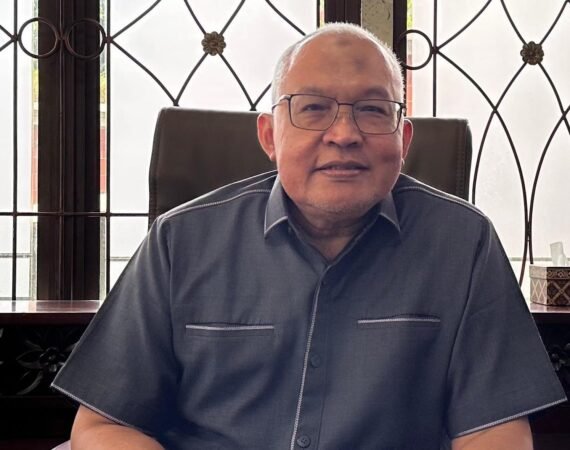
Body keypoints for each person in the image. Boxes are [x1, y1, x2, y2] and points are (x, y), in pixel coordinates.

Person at [52, 23, 565, 449]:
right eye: (314, 107)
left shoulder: (463, 244)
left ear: (403, 138)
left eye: (373, 109)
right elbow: (102, 426)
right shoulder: (179, 242)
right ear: (269, 135)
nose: (344, 134)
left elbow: (495, 432)